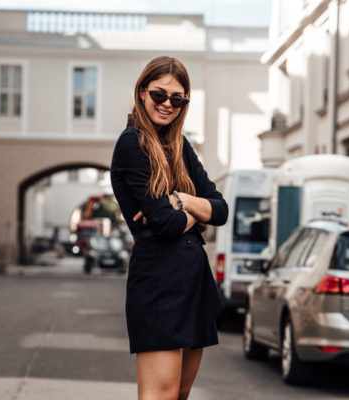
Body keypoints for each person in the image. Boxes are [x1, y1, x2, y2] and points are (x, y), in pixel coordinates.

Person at [110, 56, 228, 400]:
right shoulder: (132, 144)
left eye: (177, 99)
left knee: (180, 394)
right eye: (159, 95)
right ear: (142, 92)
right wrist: (189, 209)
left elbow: (220, 209)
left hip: (194, 279)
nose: (167, 104)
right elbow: (166, 222)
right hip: (159, 280)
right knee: (159, 396)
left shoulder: (180, 146)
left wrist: (181, 200)